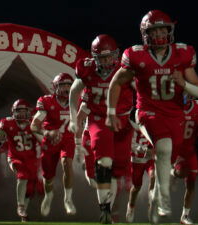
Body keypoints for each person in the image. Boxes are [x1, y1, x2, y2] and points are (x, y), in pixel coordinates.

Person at [106, 9, 198, 223]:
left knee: (166, 158)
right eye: (155, 30)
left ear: (170, 30)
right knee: (164, 147)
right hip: (148, 111)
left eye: (163, 29)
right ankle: (163, 199)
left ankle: (156, 195)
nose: (160, 34)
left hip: (175, 116)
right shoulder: (135, 55)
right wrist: (111, 111)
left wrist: (183, 84)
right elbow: (116, 82)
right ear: (146, 34)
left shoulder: (183, 54)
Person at [68, 34, 134, 223]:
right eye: (102, 57)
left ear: (116, 55)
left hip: (122, 122)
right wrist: (74, 120)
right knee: (103, 165)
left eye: (109, 56)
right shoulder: (87, 70)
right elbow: (74, 94)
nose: (106, 61)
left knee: (116, 172)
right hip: (99, 120)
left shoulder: (125, 70)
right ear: (94, 57)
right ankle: (105, 209)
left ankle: (108, 209)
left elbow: (143, 92)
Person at [30, 72, 76, 216]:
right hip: (50, 141)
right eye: (63, 85)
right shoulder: (47, 101)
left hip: (67, 139)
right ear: (55, 87)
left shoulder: (76, 101)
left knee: (68, 164)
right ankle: (48, 196)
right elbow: (34, 125)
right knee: (48, 177)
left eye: (69, 85)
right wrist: (47, 133)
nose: (67, 89)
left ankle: (68, 199)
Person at [0, 99, 38, 222]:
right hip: (15, 157)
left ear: (28, 112)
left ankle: (23, 213)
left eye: (24, 111)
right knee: (22, 175)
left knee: (30, 188)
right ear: (13, 112)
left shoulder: (34, 122)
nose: (21, 114)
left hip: (31, 159)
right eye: (18, 111)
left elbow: (42, 137)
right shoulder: (8, 123)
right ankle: (20, 206)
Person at [171, 96, 198, 224]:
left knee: (191, 183)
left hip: (190, 150)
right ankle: (173, 174)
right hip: (176, 149)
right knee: (182, 173)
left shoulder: (197, 107)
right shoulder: (172, 107)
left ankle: (185, 216)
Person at [126, 122, 155, 223]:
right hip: (137, 159)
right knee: (137, 186)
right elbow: (130, 144)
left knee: (153, 176)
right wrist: (142, 149)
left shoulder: (153, 121)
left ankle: (151, 205)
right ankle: (131, 206)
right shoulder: (133, 124)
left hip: (150, 158)